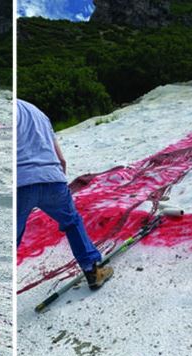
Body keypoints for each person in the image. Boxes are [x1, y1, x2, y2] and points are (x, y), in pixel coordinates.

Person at [17, 99, 113, 289]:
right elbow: (61, 159)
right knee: (72, 221)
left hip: (21, 182)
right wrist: (59, 180)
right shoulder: (38, 112)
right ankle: (93, 271)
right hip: (53, 178)